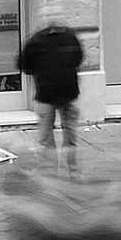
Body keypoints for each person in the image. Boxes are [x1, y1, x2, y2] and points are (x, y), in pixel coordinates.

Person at [16, 12, 85, 172]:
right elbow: (78, 58)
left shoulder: (36, 40)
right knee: (69, 133)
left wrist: (41, 72)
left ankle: (50, 171)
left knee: (47, 136)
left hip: (46, 94)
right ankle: (72, 169)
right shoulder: (69, 36)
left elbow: (24, 65)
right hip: (67, 92)